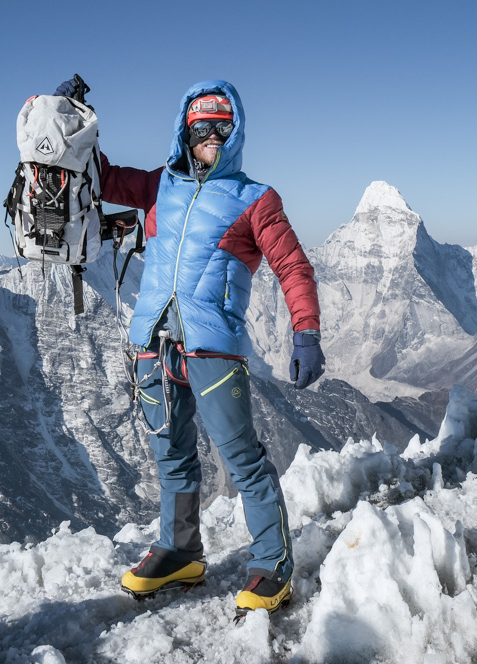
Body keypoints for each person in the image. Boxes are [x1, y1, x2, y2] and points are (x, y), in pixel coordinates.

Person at [54, 76, 325, 617]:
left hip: (213, 348)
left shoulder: (256, 200)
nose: (212, 138)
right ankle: (181, 552)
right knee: (172, 457)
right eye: (202, 128)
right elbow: (99, 175)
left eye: (222, 129)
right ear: (186, 130)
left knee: (242, 459)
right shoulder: (159, 185)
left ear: (236, 131)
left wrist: (307, 330)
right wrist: (69, 118)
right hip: (154, 341)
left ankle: (272, 564)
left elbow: (291, 266)